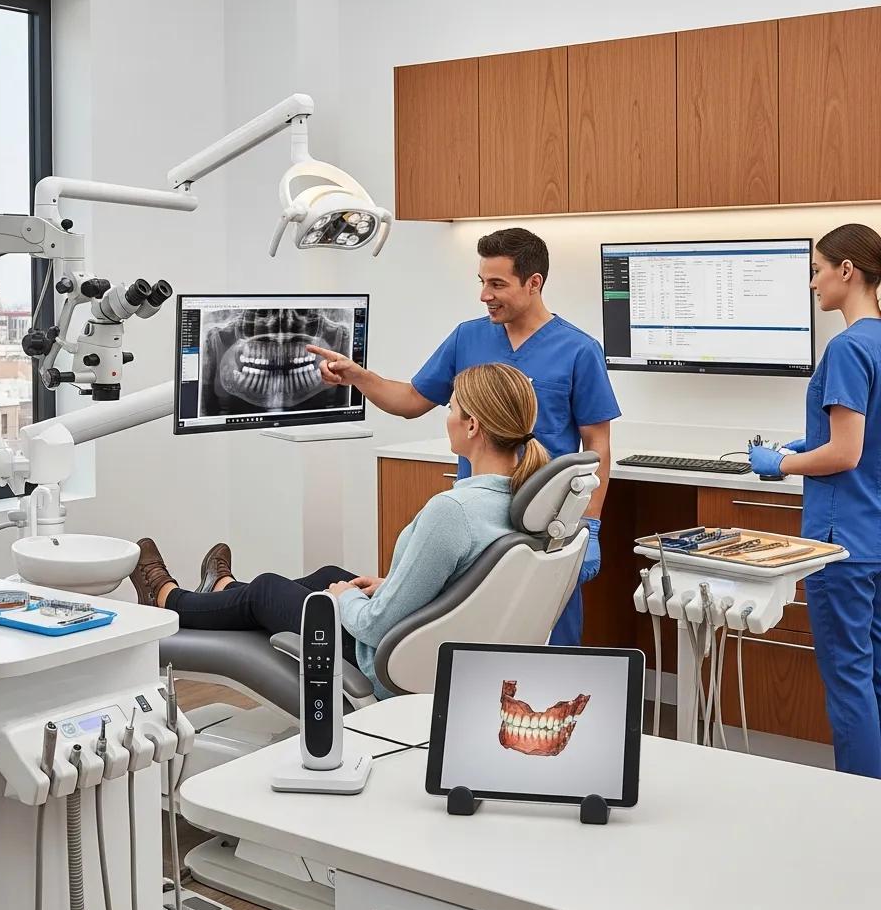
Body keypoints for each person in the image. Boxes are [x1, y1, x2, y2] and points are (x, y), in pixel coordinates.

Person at [130, 363, 550, 698]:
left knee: (267, 592)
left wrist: (346, 599)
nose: (448, 418)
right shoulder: (522, 501)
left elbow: (375, 628)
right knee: (328, 573)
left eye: (452, 409)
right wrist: (387, 585)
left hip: (386, 661)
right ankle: (223, 589)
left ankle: (167, 599)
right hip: (432, 644)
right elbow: (470, 589)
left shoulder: (453, 512)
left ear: (472, 426)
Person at [306, 227, 620, 645]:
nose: (484, 295)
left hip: (545, 519)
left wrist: (588, 525)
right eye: (482, 282)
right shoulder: (467, 338)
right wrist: (358, 377)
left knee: (548, 639)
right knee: (465, 628)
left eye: (497, 284)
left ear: (533, 283)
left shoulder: (578, 350)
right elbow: (412, 400)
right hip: (481, 518)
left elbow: (597, 447)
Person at [748, 223, 881, 778]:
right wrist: (809, 443)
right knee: (873, 679)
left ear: (846, 270)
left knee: (848, 682)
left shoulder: (848, 347)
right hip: (874, 536)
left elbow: (846, 453)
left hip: (841, 542)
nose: (812, 283)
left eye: (816, 270)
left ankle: (857, 807)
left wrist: (778, 464)